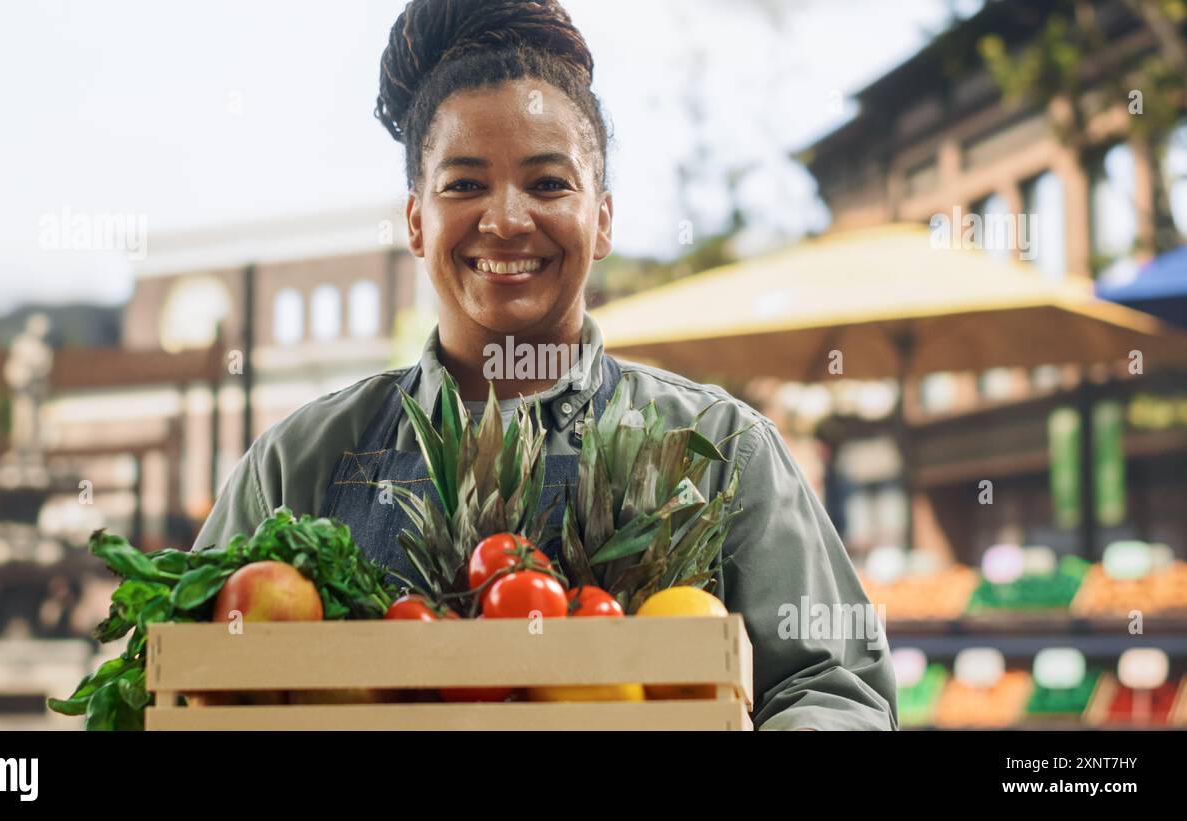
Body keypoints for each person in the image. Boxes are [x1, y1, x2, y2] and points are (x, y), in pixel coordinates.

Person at [194, 0, 897, 731]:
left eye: (549, 183)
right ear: (414, 220)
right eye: (463, 184)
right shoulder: (299, 463)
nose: (505, 219)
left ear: (603, 219)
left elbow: (835, 688)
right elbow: (185, 681)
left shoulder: (723, 448)